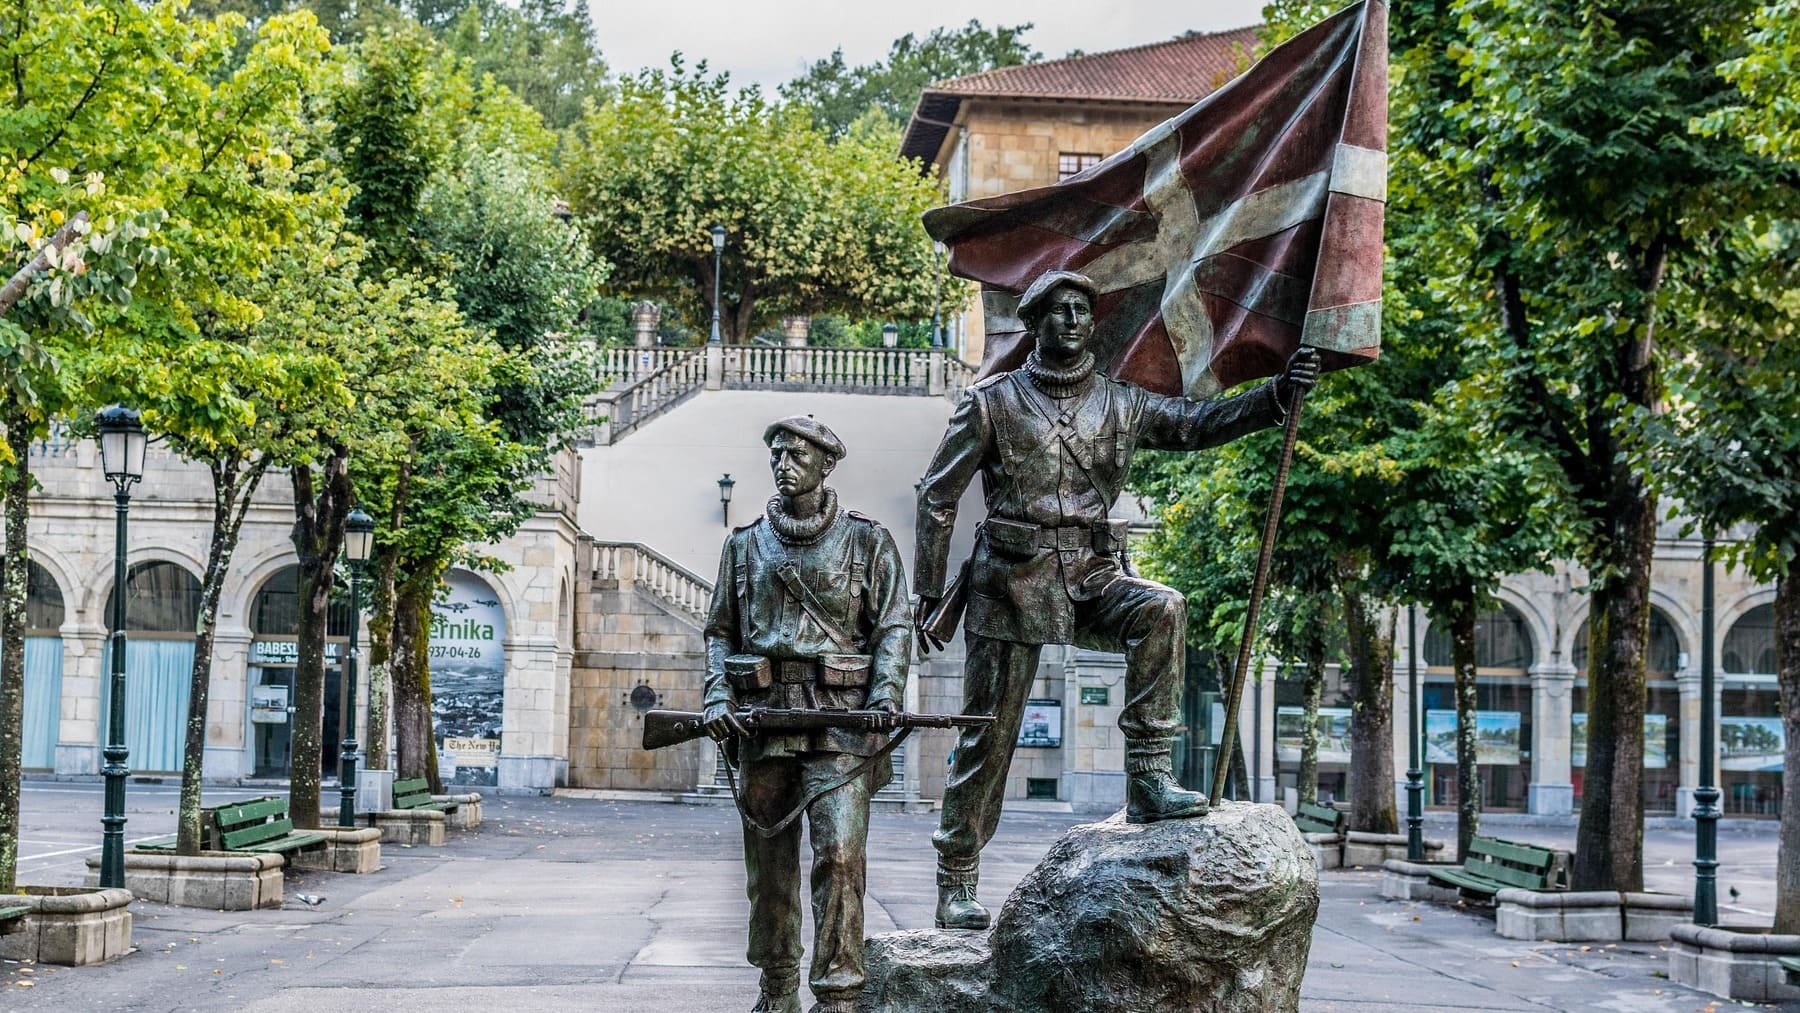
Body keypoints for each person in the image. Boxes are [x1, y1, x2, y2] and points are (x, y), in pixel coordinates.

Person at [913, 270, 1320, 930]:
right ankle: (956, 876)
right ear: (1035, 324)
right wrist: (927, 591)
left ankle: (1149, 778)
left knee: (1161, 606)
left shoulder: (1122, 403)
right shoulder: (992, 404)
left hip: (1092, 573)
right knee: (988, 736)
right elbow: (937, 495)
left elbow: (1195, 425)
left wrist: (1274, 397)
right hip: (1010, 581)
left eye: (1082, 309)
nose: (1073, 320)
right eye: (1058, 311)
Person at [701, 416, 913, 1013]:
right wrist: (718, 696)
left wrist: (885, 696)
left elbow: (894, 626)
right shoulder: (743, 545)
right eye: (776, 454)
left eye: (797, 454)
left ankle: (840, 994)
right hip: (763, 723)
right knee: (769, 873)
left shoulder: (867, 543)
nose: (783, 463)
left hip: (841, 724)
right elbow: (719, 631)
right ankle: (776, 987)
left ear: (826, 464)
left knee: (841, 859)